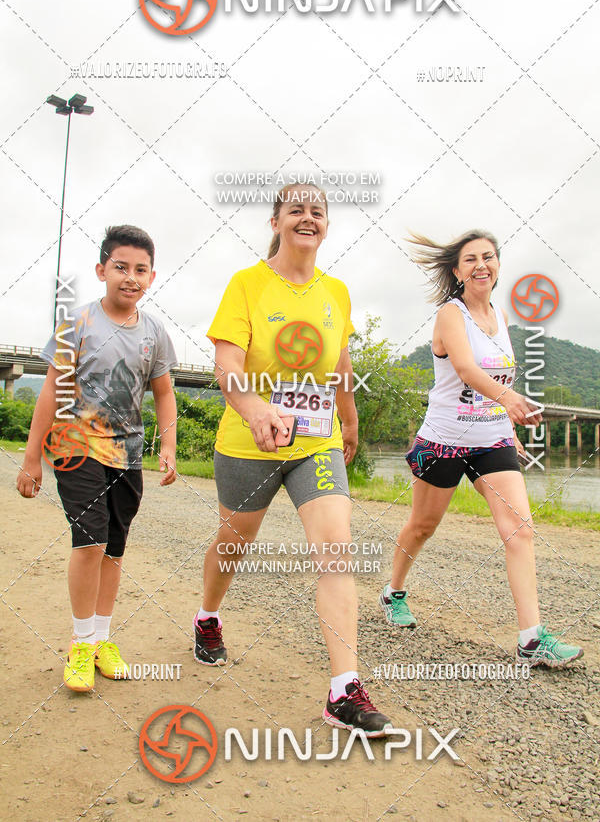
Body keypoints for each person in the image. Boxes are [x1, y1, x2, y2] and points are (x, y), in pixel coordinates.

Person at [194, 184, 393, 736]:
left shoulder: (337, 292)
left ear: (326, 225)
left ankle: (343, 688)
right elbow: (228, 365)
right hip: (248, 442)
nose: (308, 219)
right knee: (234, 542)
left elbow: (340, 364)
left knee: (335, 548)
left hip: (316, 443)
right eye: (296, 210)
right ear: (276, 220)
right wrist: (255, 408)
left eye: (318, 212)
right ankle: (208, 615)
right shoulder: (247, 284)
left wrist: (349, 421)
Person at [380, 230, 583, 669]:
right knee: (422, 526)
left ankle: (531, 638)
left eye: (488, 257)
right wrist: (510, 403)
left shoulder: (499, 315)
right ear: (457, 271)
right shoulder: (450, 315)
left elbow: (500, 378)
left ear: (497, 264)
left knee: (520, 529)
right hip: (444, 440)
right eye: (470, 259)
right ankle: (393, 591)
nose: (481, 265)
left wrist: (507, 427)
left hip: (491, 439)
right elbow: (468, 370)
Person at [16, 225, 178, 692]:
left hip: (126, 454)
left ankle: (104, 639)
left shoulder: (154, 333)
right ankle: (80, 643)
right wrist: (32, 459)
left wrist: (166, 447)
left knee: (114, 547)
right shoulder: (78, 325)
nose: (131, 277)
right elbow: (51, 390)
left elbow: (164, 394)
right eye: (121, 267)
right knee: (89, 541)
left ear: (151, 276)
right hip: (75, 447)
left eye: (141, 269)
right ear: (101, 270)